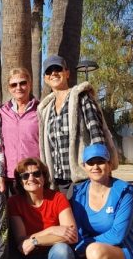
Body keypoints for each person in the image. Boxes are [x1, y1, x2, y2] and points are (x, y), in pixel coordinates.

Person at [7, 157, 77, 259]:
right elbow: (23, 244)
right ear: (20, 181)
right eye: (25, 176)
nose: (31, 178)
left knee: (61, 249)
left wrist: (36, 240)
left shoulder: (58, 198)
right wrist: (52, 230)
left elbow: (71, 235)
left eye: (36, 174)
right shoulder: (14, 202)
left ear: (44, 177)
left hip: (56, 257)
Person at [37, 55, 118, 196]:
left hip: (83, 177)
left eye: (58, 69)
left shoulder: (82, 98)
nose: (54, 73)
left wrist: (101, 170)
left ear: (67, 73)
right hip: (58, 180)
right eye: (49, 71)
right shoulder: (45, 109)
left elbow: (97, 135)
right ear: (45, 78)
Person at [0, 67, 40, 195]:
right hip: (10, 176)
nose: (18, 87)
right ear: (9, 88)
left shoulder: (41, 109)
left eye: (23, 83)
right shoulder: (2, 111)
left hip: (34, 174)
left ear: (30, 84)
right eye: (14, 84)